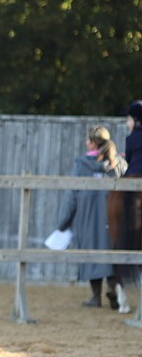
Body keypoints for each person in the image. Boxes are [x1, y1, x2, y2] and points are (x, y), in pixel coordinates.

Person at [56, 125, 127, 308]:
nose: (85, 142)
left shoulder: (81, 164)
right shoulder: (119, 163)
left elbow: (71, 194)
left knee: (91, 251)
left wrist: (63, 222)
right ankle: (114, 290)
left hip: (87, 217)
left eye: (88, 140)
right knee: (111, 252)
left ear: (93, 143)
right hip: (113, 219)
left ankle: (96, 297)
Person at [108, 100, 142, 302]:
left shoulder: (131, 139)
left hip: (131, 179)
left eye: (129, 119)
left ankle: (121, 294)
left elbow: (128, 162)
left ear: (136, 120)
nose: (128, 123)